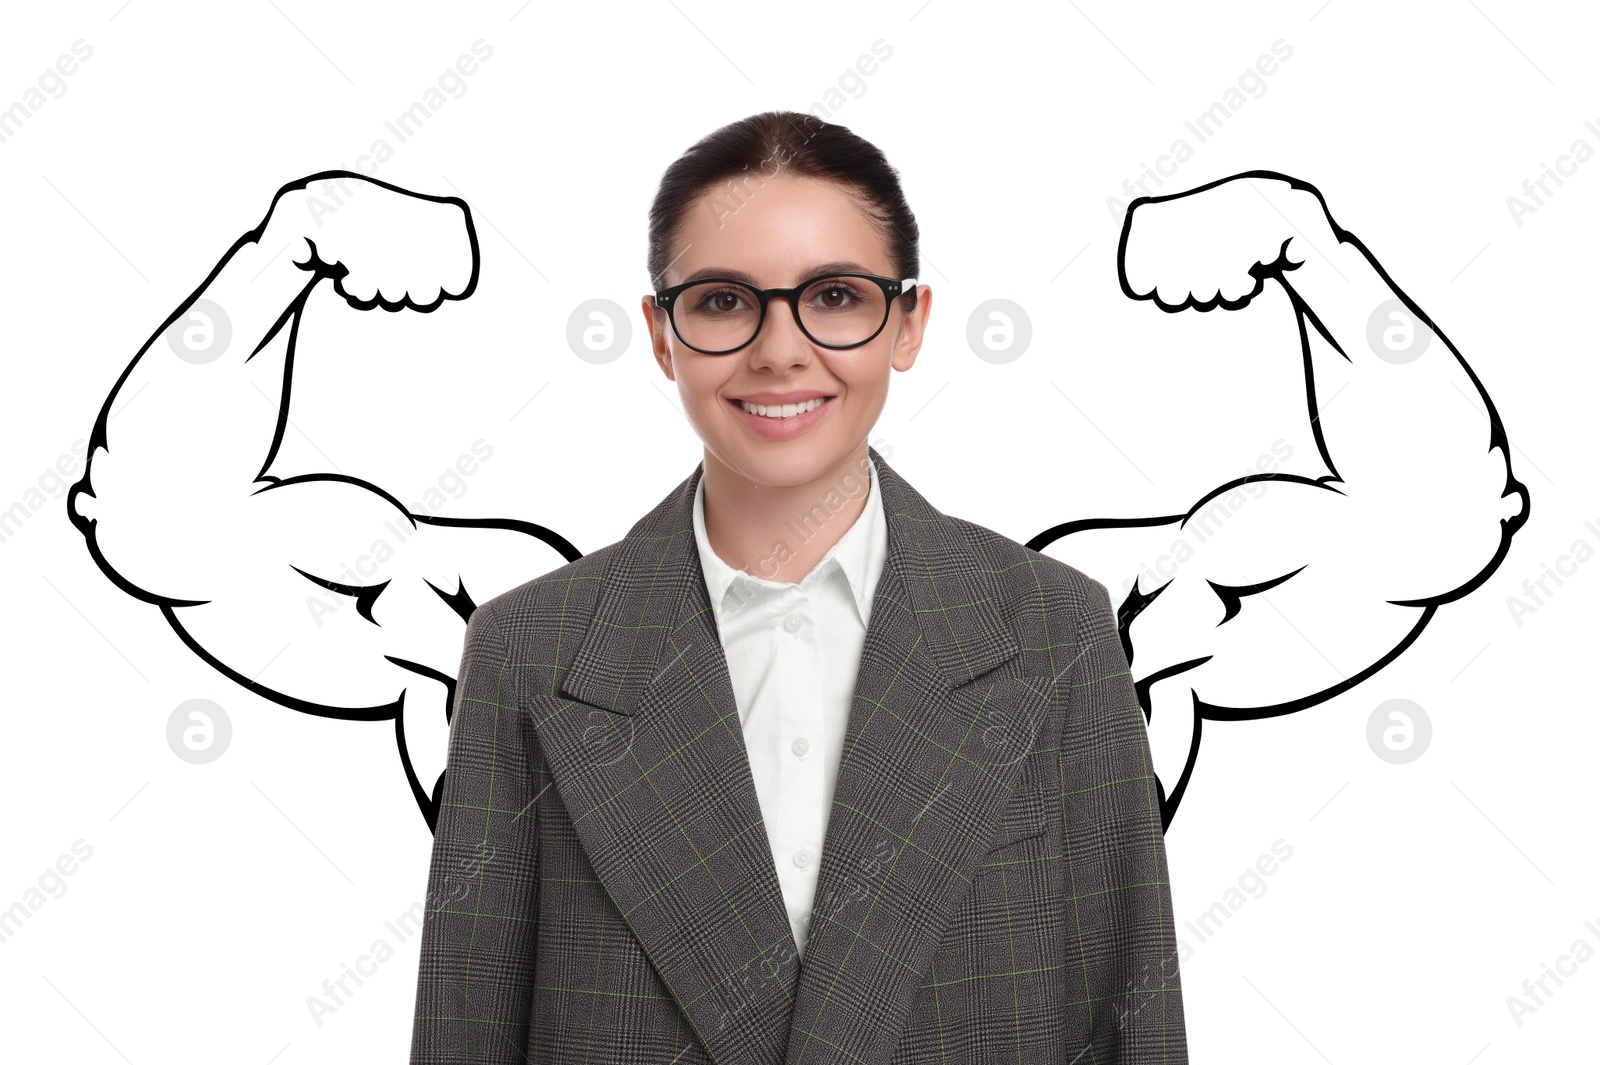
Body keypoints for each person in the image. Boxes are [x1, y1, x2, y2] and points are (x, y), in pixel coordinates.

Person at [409, 110, 1188, 1064]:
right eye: (726, 301)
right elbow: (466, 1029)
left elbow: (1129, 1017)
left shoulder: (1053, 631)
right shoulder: (531, 649)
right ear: (662, 335)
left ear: (908, 324)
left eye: (835, 295)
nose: (780, 349)